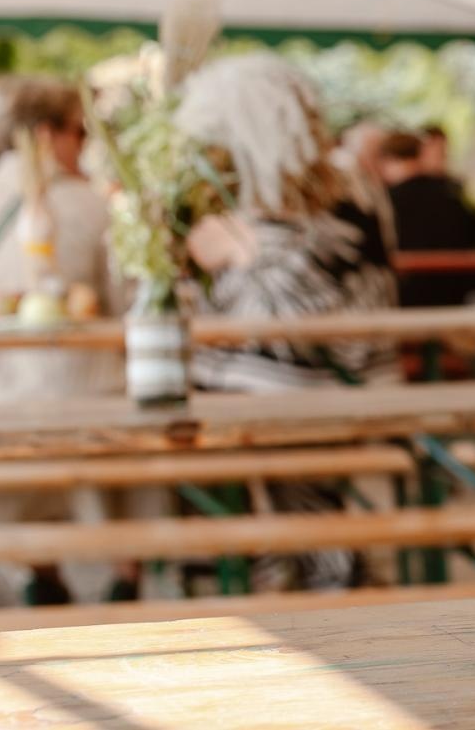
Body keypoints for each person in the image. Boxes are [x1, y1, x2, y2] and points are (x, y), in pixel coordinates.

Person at [178, 54, 399, 590]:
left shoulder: (296, 201)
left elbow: (298, 315)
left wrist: (233, 249)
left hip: (308, 390)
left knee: (274, 496)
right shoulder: (345, 187)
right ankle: (307, 580)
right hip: (337, 385)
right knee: (284, 500)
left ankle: (311, 589)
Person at [0, 76, 125, 607]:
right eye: (79, 132)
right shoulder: (92, 207)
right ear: (46, 134)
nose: (83, 145)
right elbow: (128, 305)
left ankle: (40, 570)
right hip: (80, 407)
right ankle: (124, 577)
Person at [380, 131, 475, 307]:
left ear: (388, 160)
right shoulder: (452, 194)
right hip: (455, 296)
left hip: (406, 299)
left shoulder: (386, 202)